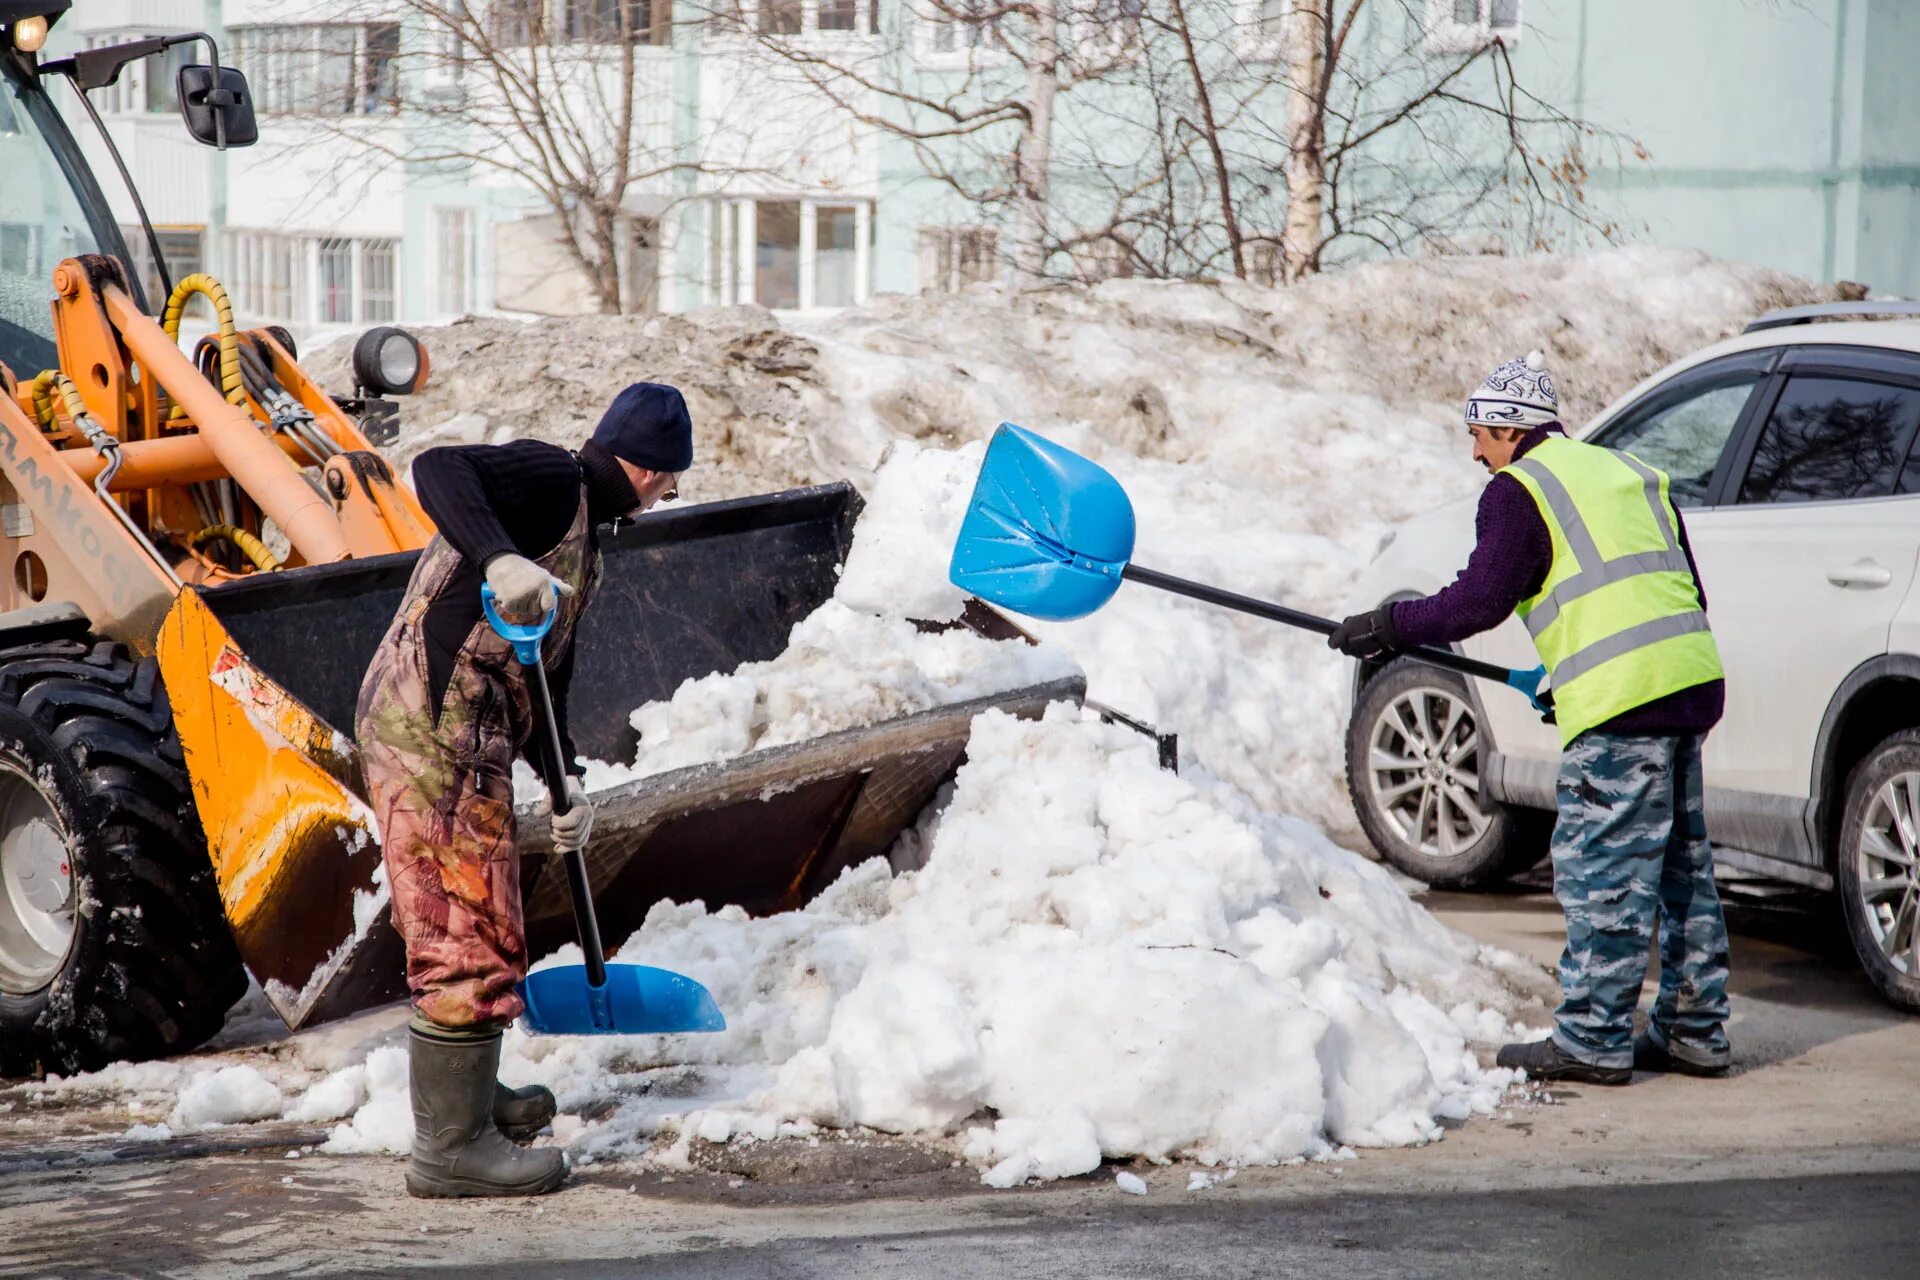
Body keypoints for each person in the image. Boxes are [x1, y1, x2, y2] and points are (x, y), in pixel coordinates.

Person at [1329, 351, 1733, 1086]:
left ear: (1514, 431)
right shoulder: (1627, 474)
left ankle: (1593, 1039)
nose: (1475, 450)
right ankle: (1693, 1030)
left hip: (1626, 699)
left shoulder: (1518, 490)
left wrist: (1389, 623)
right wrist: (1572, 669)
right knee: (1681, 869)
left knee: (1601, 870)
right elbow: (1672, 589)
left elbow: (1477, 602)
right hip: (1689, 680)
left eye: (1481, 432)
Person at [355, 383, 691, 1196]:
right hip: (428, 730)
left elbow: (550, 683)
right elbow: (436, 468)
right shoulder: (552, 479)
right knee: (459, 919)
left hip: (471, 736)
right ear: (648, 468)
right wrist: (499, 557)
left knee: (488, 911)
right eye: (673, 477)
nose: (673, 494)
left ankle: (471, 1102)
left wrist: (565, 782)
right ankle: (450, 1151)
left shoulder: (586, 543)